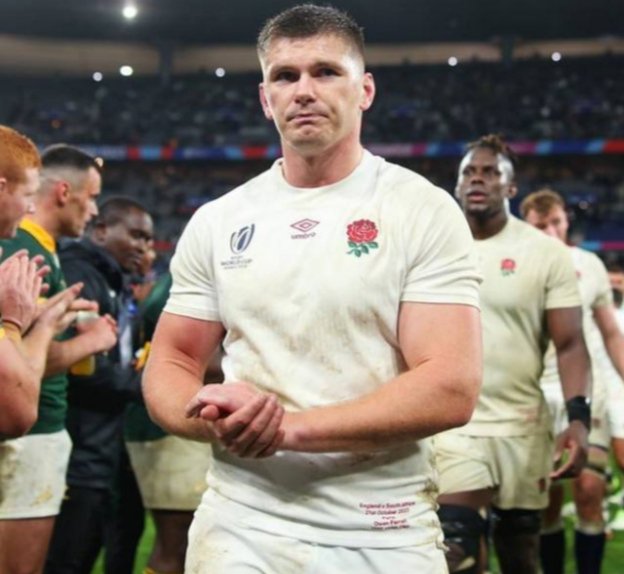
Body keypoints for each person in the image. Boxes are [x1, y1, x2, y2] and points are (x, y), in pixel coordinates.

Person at [144, 4, 482, 573]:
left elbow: (450, 385)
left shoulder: (421, 210)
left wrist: (284, 430)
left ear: (364, 90)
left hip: (381, 525)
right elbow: (172, 358)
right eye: (285, 76)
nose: (303, 90)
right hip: (241, 521)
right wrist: (209, 418)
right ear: (265, 98)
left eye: (326, 71)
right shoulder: (219, 220)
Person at [434, 134, 591, 574]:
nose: (477, 179)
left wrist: (578, 418)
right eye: (469, 172)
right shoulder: (434, 246)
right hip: (454, 425)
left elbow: (570, 343)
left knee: (520, 553)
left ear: (511, 187)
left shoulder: (546, 254)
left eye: (490, 172)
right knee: (457, 550)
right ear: (457, 183)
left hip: (522, 426)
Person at [0, 144, 118, 574]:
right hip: (26, 435)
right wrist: (87, 342)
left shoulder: (37, 245)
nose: (95, 209)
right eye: (92, 196)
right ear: (65, 192)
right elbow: (14, 376)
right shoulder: (20, 248)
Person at [45, 196, 154, 574]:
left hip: (102, 443)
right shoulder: (80, 275)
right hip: (79, 448)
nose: (143, 246)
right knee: (67, 558)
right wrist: (144, 386)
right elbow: (83, 369)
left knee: (110, 539)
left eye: (148, 239)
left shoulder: (112, 280)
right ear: (102, 231)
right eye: (136, 235)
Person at [521, 188, 624, 574]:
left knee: (589, 490)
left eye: (556, 223)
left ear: (566, 221)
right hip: (536, 398)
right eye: (540, 226)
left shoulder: (589, 265)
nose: (550, 232)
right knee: (546, 503)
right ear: (526, 227)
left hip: (586, 394)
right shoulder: (514, 268)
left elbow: (611, 333)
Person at [126, 270, 217, 574]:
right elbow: (194, 357)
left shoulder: (175, 278)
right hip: (173, 422)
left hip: (166, 420)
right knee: (176, 542)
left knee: (181, 541)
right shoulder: (191, 279)